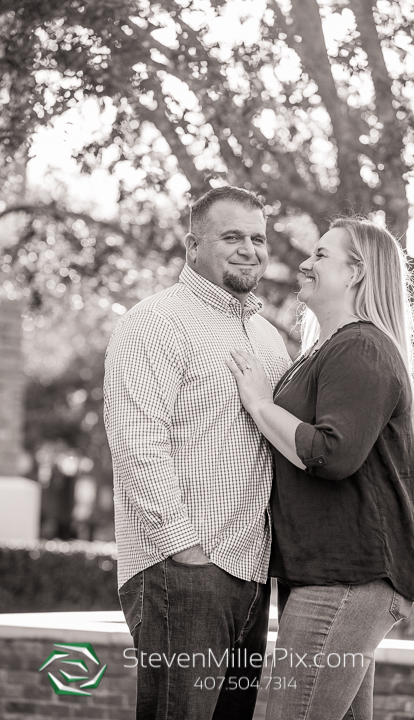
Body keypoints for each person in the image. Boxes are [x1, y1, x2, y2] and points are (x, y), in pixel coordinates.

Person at [227, 216, 414, 720]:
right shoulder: (328, 350)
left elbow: (331, 455)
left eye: (320, 255)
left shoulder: (360, 346)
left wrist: (258, 404)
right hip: (327, 576)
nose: (304, 263)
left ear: (356, 273)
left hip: (347, 578)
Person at [104, 186, 291, 720]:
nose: (249, 250)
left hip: (253, 572)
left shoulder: (268, 337)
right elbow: (138, 445)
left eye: (258, 238)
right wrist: (186, 552)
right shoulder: (155, 322)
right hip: (184, 570)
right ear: (192, 244)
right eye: (232, 236)